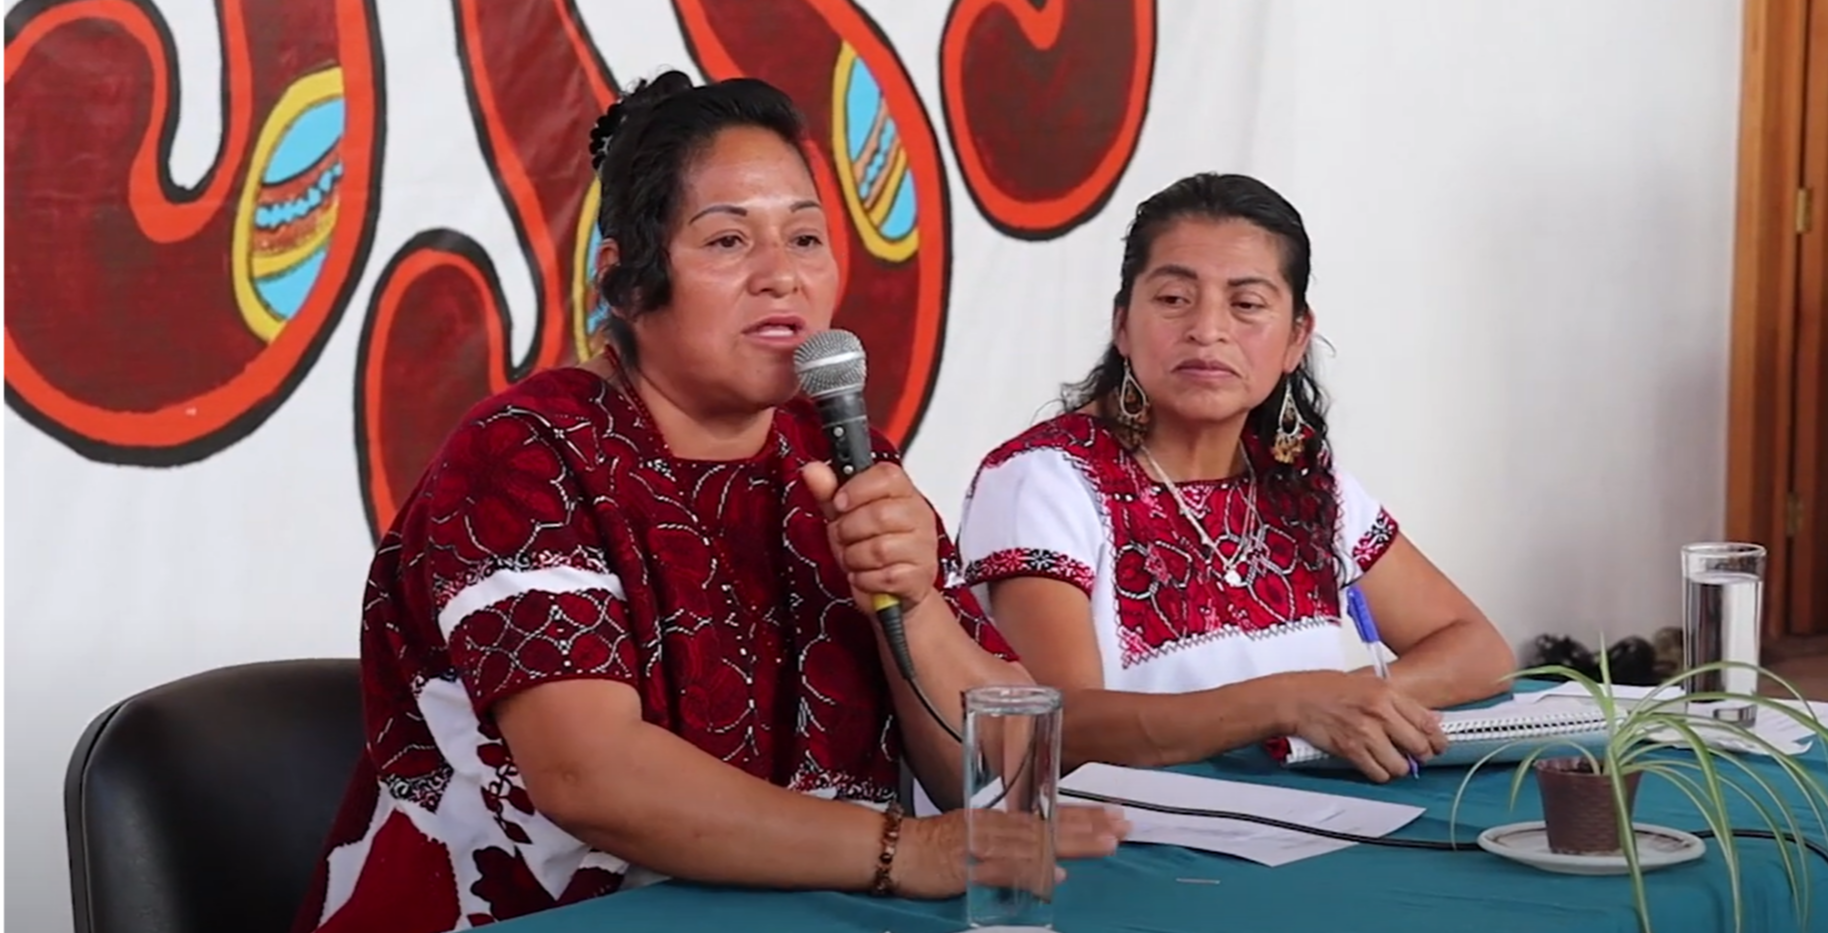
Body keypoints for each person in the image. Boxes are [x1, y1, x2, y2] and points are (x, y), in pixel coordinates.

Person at [292, 71, 1125, 932]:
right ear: (624, 279)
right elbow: (590, 775)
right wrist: (902, 850)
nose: (782, 276)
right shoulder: (527, 454)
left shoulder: (845, 456)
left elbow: (1002, 782)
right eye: (728, 241)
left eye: (805, 238)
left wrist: (913, 607)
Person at [955, 172, 1516, 784]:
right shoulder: (1040, 480)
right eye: (1174, 298)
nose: (1208, 329)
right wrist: (1289, 703)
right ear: (1122, 325)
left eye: (1246, 304)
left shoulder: (1303, 480)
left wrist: (1346, 699)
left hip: (1306, 819)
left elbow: (1478, 650)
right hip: (1125, 830)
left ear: (1296, 338)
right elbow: (1059, 727)